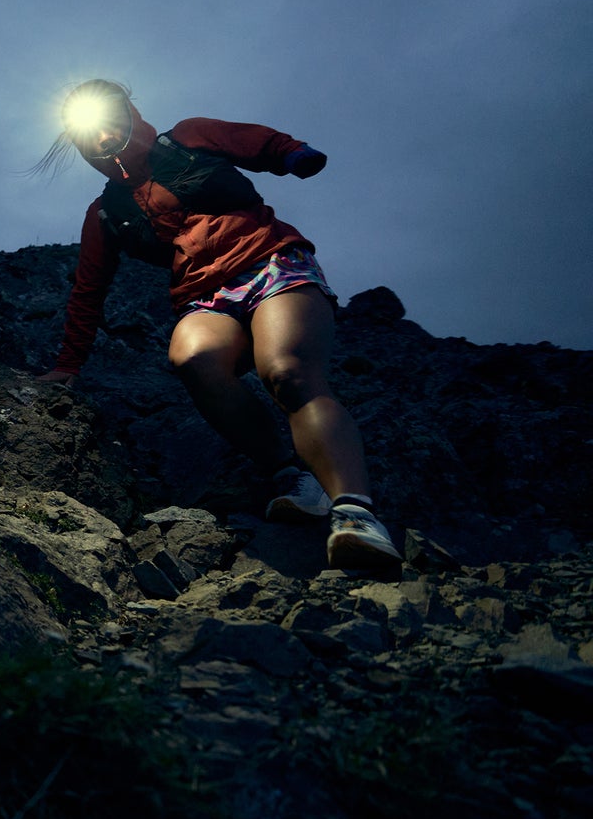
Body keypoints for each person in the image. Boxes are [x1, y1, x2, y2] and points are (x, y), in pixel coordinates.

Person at [33, 78, 401, 573]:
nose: (102, 137)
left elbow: (253, 140)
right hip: (203, 296)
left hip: (271, 261)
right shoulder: (104, 214)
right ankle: (292, 475)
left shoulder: (188, 138)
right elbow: (87, 289)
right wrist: (67, 365)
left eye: (109, 121)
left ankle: (355, 513)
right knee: (191, 358)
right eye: (87, 134)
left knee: (286, 373)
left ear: (127, 113)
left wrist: (292, 154)